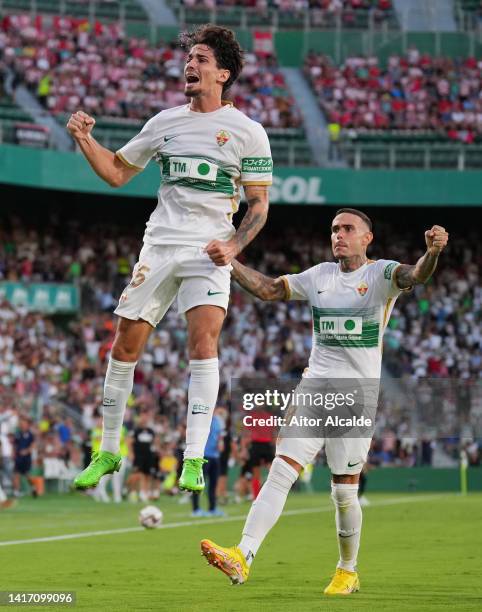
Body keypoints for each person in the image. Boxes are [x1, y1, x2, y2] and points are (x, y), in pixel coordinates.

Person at [200, 209, 449, 594]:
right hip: (314, 388)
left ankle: (347, 570)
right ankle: (242, 555)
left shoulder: (381, 275)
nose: (339, 235)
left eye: (348, 229)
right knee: (282, 469)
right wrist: (229, 261)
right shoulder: (319, 276)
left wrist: (431, 253)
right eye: (335, 229)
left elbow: (416, 275)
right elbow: (269, 289)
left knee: (344, 490)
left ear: (368, 238)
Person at [69, 24, 272, 493]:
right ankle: (107, 450)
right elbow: (118, 172)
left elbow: (258, 204)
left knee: (203, 345)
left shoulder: (248, 133)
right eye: (190, 58)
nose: (190, 65)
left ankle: (195, 457)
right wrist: (84, 139)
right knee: (124, 344)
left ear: (223, 73)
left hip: (209, 250)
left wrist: (235, 245)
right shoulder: (164, 123)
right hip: (160, 244)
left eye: (201, 59)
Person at [191, 407, 224, 517]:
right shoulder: (202, 421)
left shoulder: (217, 421)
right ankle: (195, 509)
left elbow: (219, 436)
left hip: (215, 456)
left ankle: (212, 508)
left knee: (213, 484)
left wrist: (221, 443)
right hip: (203, 455)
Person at [13, 417, 36, 497]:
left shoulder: (30, 435)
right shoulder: (17, 434)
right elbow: (15, 445)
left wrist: (26, 451)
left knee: (27, 475)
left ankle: (33, 488)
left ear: (27, 425)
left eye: (24, 424)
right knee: (16, 474)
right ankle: (16, 492)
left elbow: (33, 446)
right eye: (21, 424)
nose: (22, 425)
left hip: (26, 458)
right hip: (18, 458)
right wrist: (14, 453)